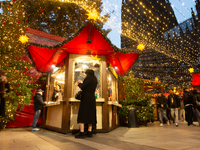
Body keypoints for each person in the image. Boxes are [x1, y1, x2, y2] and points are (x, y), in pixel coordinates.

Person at [75, 69, 97, 139]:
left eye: (86, 74)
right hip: (92, 98)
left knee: (83, 114)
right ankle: (89, 132)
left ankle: (82, 132)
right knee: (90, 114)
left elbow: (83, 87)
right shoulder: (94, 79)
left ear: (87, 74)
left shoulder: (88, 78)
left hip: (86, 98)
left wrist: (79, 83)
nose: (85, 75)